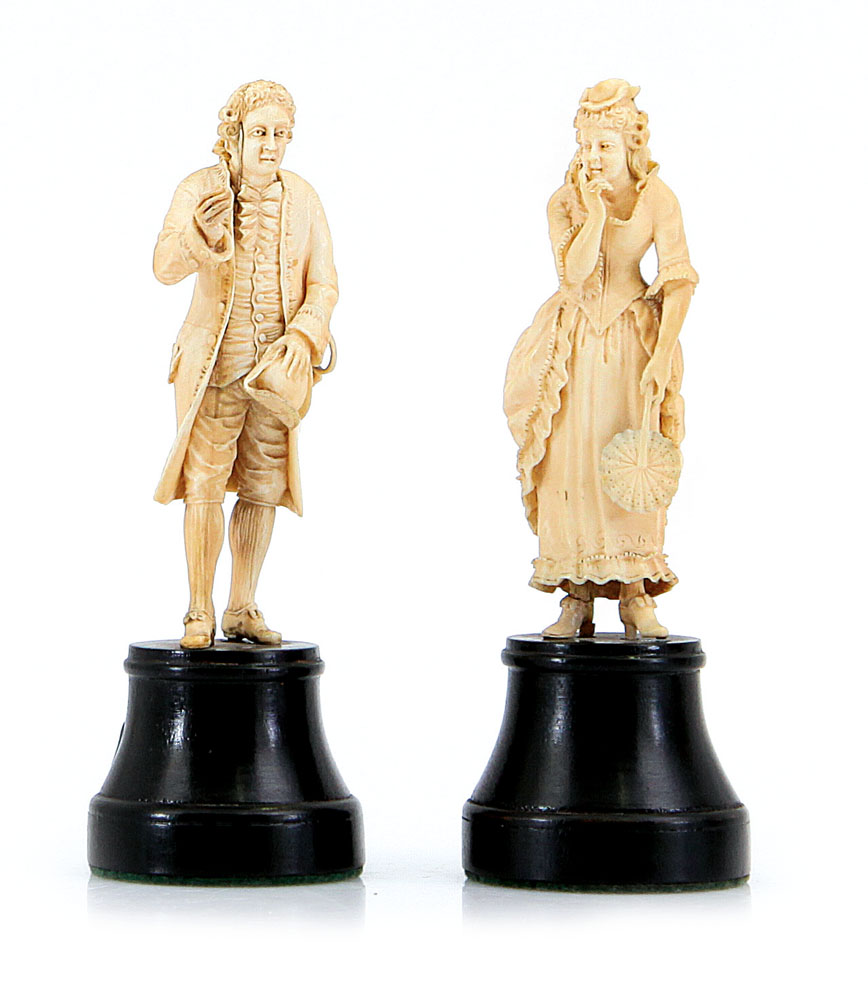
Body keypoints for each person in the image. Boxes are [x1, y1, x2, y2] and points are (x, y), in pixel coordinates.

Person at [504, 79, 698, 639]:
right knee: (572, 461)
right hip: (574, 344)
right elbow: (575, 275)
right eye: (586, 145)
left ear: (630, 145)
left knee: (628, 458)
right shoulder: (564, 202)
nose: (593, 156)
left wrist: (662, 355)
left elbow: (679, 280)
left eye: (605, 145)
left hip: (633, 341)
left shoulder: (658, 199)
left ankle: (635, 593)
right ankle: (577, 593)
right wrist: (592, 213)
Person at [153, 80, 338, 649]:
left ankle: (242, 605)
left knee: (263, 485)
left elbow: (325, 284)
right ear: (233, 135)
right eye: (260, 132)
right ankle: (198, 609)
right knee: (204, 482)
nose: (271, 146)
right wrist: (198, 236)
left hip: (276, 372)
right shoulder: (198, 189)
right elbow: (163, 266)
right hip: (215, 364)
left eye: (282, 134)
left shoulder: (303, 199)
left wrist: (303, 335)